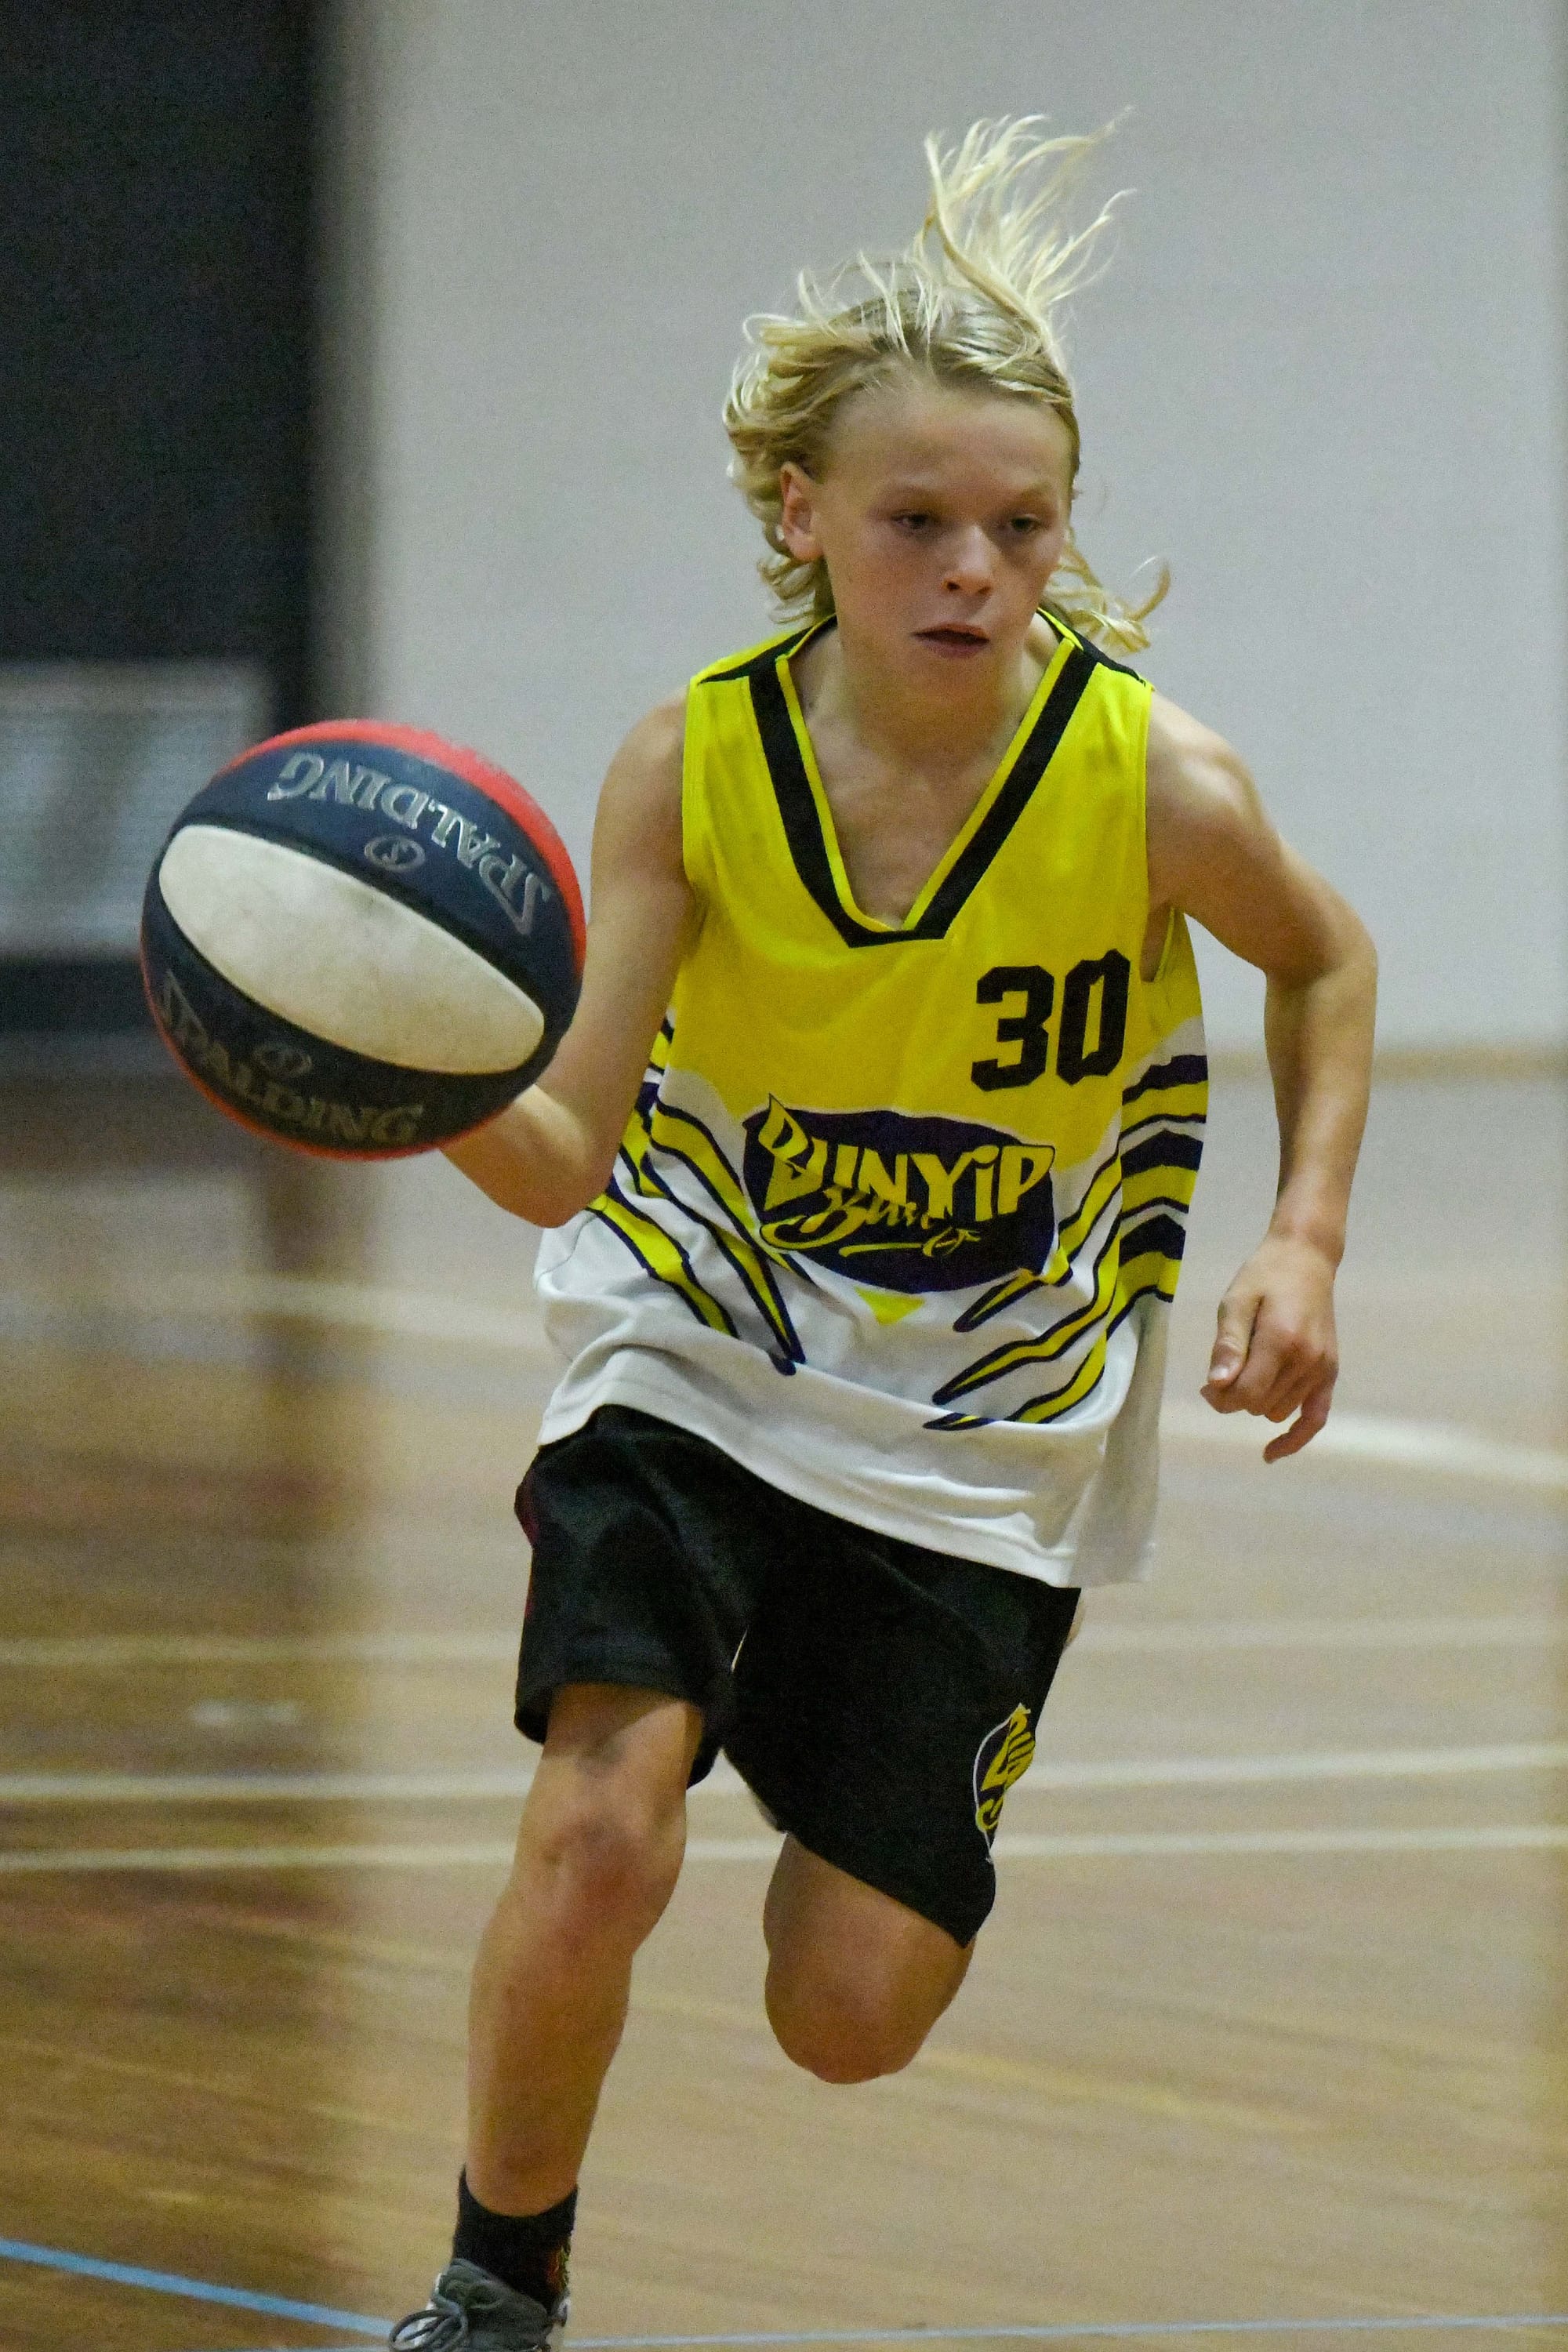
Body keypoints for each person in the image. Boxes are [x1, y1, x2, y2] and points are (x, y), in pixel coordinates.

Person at [389, 118, 1376, 2352]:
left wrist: (1304, 1238)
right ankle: (493, 2289)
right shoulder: (692, 768)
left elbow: (1326, 961)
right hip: (702, 1346)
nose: (973, 569)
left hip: (989, 1421)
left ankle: (805, 1732)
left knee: (848, 2014)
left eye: (1022, 525)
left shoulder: (1155, 784)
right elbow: (569, 1149)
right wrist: (413, 1082)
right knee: (600, 1830)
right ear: (798, 515)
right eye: (917, 520)